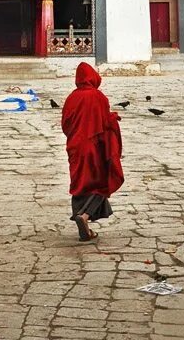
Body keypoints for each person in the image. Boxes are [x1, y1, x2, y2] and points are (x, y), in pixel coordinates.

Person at [61, 61, 124, 241]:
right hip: (94, 148)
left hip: (75, 147)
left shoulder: (71, 98)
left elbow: (65, 124)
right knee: (101, 183)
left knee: (79, 184)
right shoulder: (98, 97)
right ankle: (85, 215)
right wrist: (114, 118)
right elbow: (105, 123)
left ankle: (85, 229)